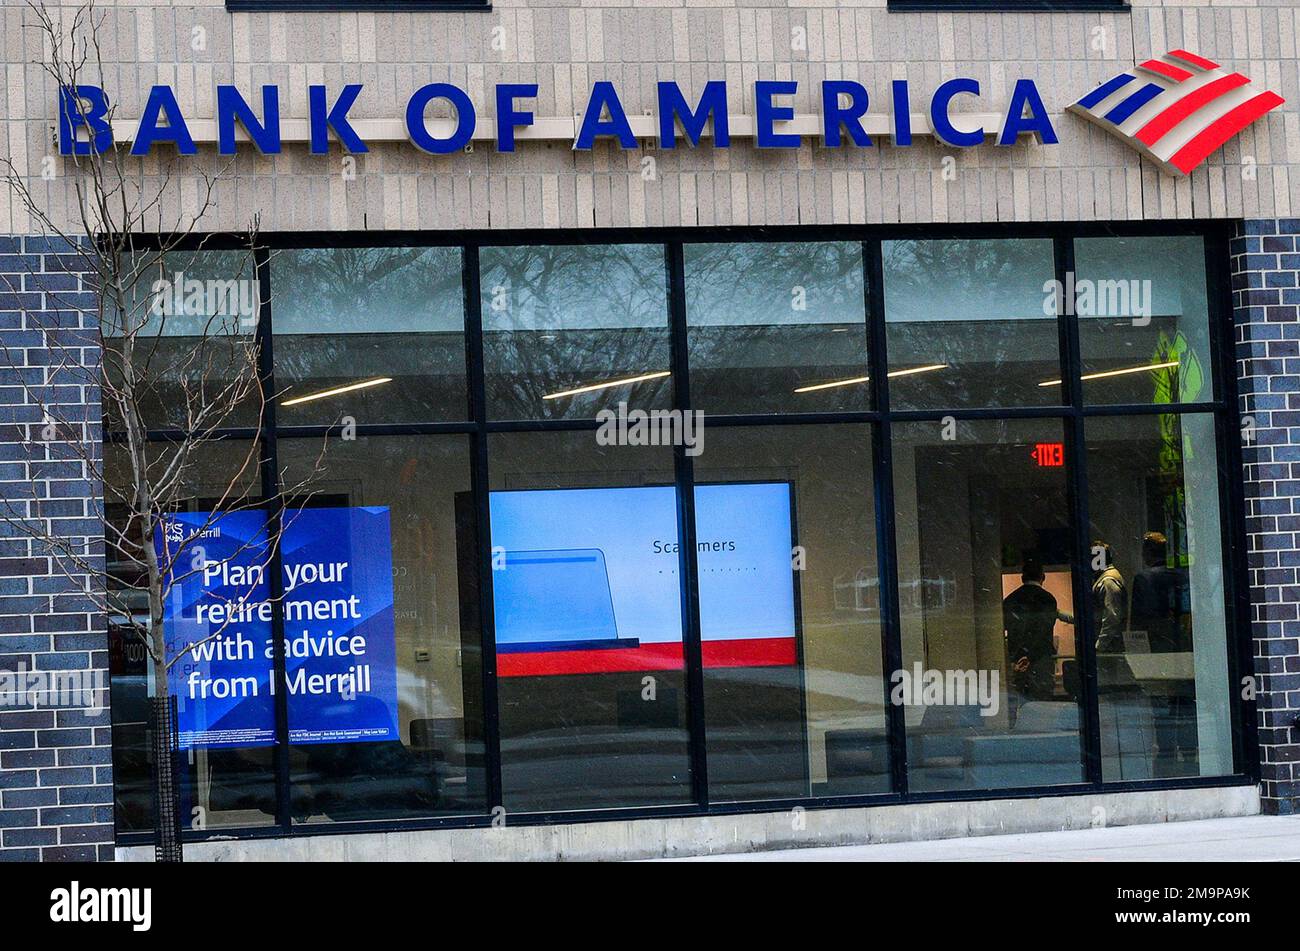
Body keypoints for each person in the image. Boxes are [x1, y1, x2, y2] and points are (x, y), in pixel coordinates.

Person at [1003, 559, 1071, 705]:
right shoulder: (1048, 599)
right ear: (1042, 577)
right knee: (1043, 703)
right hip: (1041, 659)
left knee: (1021, 701)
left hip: (1018, 660)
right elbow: (1043, 630)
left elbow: (1008, 628)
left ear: (1023, 577)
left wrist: (1020, 656)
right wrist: (1031, 655)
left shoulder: (1010, 600)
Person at [1092, 540, 1128, 654]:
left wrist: (1100, 646)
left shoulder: (1107, 581)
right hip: (1109, 645)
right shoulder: (1107, 578)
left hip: (1108, 647)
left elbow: (1111, 617)